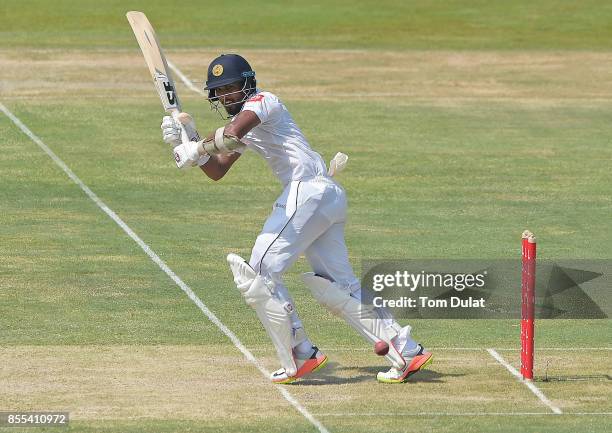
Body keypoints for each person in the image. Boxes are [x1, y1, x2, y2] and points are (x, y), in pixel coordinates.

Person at [160, 54, 432, 383]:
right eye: (221, 91)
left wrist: (197, 148)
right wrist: (187, 138)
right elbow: (217, 169)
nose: (227, 95)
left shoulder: (264, 101)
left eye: (232, 87)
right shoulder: (245, 122)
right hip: (325, 197)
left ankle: (301, 352)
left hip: (309, 192)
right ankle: (406, 349)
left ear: (247, 83)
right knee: (339, 285)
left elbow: (230, 135)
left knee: (260, 270)